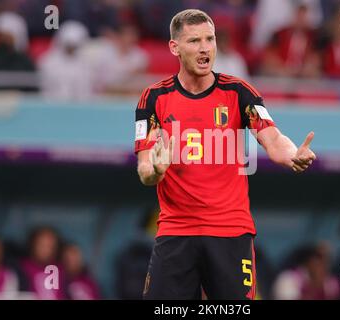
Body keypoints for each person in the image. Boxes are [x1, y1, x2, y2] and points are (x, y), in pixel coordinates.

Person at [135, 9, 316, 300]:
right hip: (177, 230)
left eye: (210, 39)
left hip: (230, 232)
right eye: (194, 41)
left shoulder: (238, 92)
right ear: (174, 47)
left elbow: (272, 137)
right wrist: (155, 170)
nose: (205, 47)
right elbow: (145, 169)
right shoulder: (154, 98)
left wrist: (292, 154)